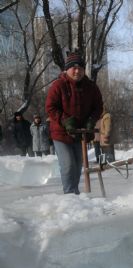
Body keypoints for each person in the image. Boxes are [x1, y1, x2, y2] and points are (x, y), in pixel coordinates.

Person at [45, 52, 103, 194]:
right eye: (73, 68)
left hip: (79, 132)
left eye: (80, 68)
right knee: (68, 164)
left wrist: (91, 120)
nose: (77, 71)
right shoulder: (58, 86)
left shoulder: (91, 87)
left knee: (77, 165)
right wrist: (65, 120)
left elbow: (98, 107)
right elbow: (50, 107)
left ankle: (74, 194)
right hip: (61, 133)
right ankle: (69, 195)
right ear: (67, 69)